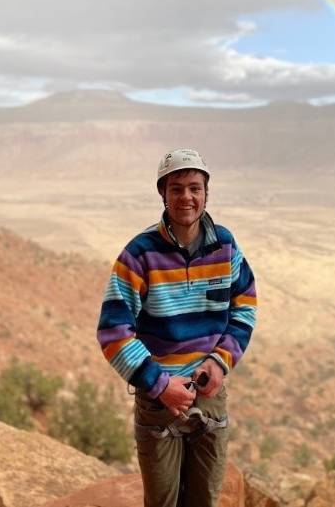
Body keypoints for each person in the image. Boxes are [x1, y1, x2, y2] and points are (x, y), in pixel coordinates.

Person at [97, 148, 257, 507]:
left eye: (195, 188)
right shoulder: (140, 254)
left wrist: (220, 361)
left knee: (205, 499)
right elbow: (112, 331)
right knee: (162, 502)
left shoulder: (226, 247)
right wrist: (160, 384)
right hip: (159, 401)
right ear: (163, 194)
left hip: (209, 391)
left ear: (206, 194)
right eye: (177, 188)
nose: (187, 197)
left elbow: (244, 305)